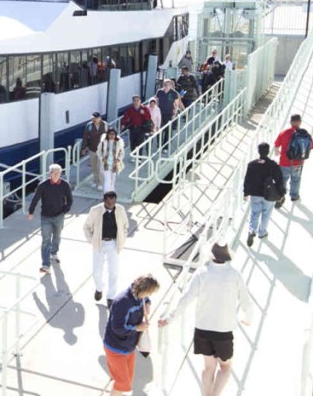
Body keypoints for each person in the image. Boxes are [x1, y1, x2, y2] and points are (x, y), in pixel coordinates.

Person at [158, 243, 254, 396]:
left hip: (202, 329)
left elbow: (186, 298)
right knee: (225, 367)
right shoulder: (235, 275)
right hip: (223, 330)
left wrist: (170, 318)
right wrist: (248, 318)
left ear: (211, 256)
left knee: (208, 368)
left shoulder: (201, 273)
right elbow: (246, 302)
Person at [104, 275, 160, 396]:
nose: (149, 295)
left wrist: (148, 303)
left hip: (129, 346)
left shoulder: (140, 295)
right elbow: (117, 327)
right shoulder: (122, 302)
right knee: (122, 382)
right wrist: (137, 328)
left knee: (126, 380)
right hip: (116, 347)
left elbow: (146, 298)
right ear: (143, 290)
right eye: (149, 293)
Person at [83, 191, 129, 304]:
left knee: (114, 271)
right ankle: (99, 288)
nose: (111, 206)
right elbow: (86, 227)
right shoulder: (95, 210)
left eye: (113, 203)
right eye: (109, 203)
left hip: (113, 243)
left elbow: (125, 226)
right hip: (99, 243)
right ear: (104, 201)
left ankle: (111, 296)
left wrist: (122, 239)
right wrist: (92, 240)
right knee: (97, 271)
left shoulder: (120, 210)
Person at [27, 164, 73, 274]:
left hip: (59, 216)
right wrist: (31, 211)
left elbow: (70, 199)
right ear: (50, 173)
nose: (56, 175)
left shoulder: (65, 185)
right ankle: (45, 264)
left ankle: (54, 252)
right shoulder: (43, 185)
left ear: (60, 174)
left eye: (58, 173)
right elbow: (35, 199)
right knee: (46, 240)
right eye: (54, 173)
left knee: (57, 236)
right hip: (46, 217)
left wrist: (64, 211)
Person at [243, 143, 283, 247]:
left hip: (255, 194)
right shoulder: (273, 165)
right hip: (268, 195)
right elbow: (279, 180)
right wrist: (281, 194)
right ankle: (262, 232)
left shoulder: (252, 164)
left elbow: (247, 180)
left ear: (258, 151)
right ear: (268, 151)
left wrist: (246, 193)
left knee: (254, 213)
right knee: (266, 214)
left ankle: (252, 230)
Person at [273, 114, 313, 207]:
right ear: (300, 122)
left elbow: (276, 145)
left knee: (282, 180)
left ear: (290, 122)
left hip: (284, 162)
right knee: (296, 179)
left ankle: (281, 195)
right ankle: (294, 196)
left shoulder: (284, 133)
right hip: (298, 163)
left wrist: (277, 152)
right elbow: (312, 145)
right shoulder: (305, 134)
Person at [83, 112, 107, 189]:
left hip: (102, 150)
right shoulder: (89, 125)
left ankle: (100, 182)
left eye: (95, 118)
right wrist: (83, 148)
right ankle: (95, 180)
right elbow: (85, 137)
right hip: (92, 149)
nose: (93, 120)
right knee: (94, 167)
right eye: (92, 118)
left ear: (99, 118)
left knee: (100, 168)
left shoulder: (105, 125)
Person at [97, 128, 125, 193]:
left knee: (113, 179)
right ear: (107, 135)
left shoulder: (119, 142)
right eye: (110, 134)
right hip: (105, 164)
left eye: (113, 134)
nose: (112, 136)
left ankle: (112, 193)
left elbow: (122, 153)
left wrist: (119, 159)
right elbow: (98, 151)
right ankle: (106, 193)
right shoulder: (103, 142)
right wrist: (102, 158)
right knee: (107, 179)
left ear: (115, 135)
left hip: (114, 164)